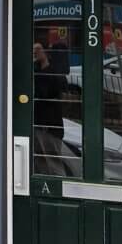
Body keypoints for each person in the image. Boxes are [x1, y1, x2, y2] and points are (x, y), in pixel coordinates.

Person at [32, 41, 74, 177]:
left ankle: (58, 185)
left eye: (38, 49)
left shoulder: (55, 73)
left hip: (50, 126)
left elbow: (47, 93)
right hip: (38, 123)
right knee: (39, 162)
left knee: (53, 162)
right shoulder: (36, 70)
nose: (35, 52)